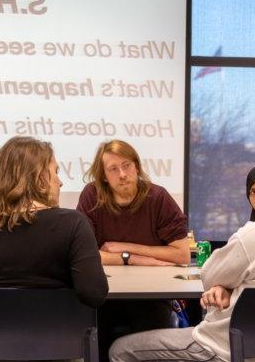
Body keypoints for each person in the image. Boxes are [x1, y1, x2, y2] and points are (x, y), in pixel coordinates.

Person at [110, 129, 255, 362]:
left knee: (121, 349)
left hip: (225, 349)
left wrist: (226, 285)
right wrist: (232, 288)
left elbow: (209, 275)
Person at [76, 139, 190, 361]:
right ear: (103, 177)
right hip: (104, 296)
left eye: (127, 165)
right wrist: (131, 259)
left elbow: (181, 253)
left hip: (152, 296)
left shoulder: (158, 197)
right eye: (113, 169)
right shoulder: (92, 195)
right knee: (94, 338)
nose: (122, 174)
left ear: (136, 166)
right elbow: (86, 255)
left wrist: (124, 248)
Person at [0, 136, 108, 308]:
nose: (61, 182)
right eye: (56, 172)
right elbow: (94, 294)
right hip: (58, 332)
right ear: (40, 178)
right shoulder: (73, 223)